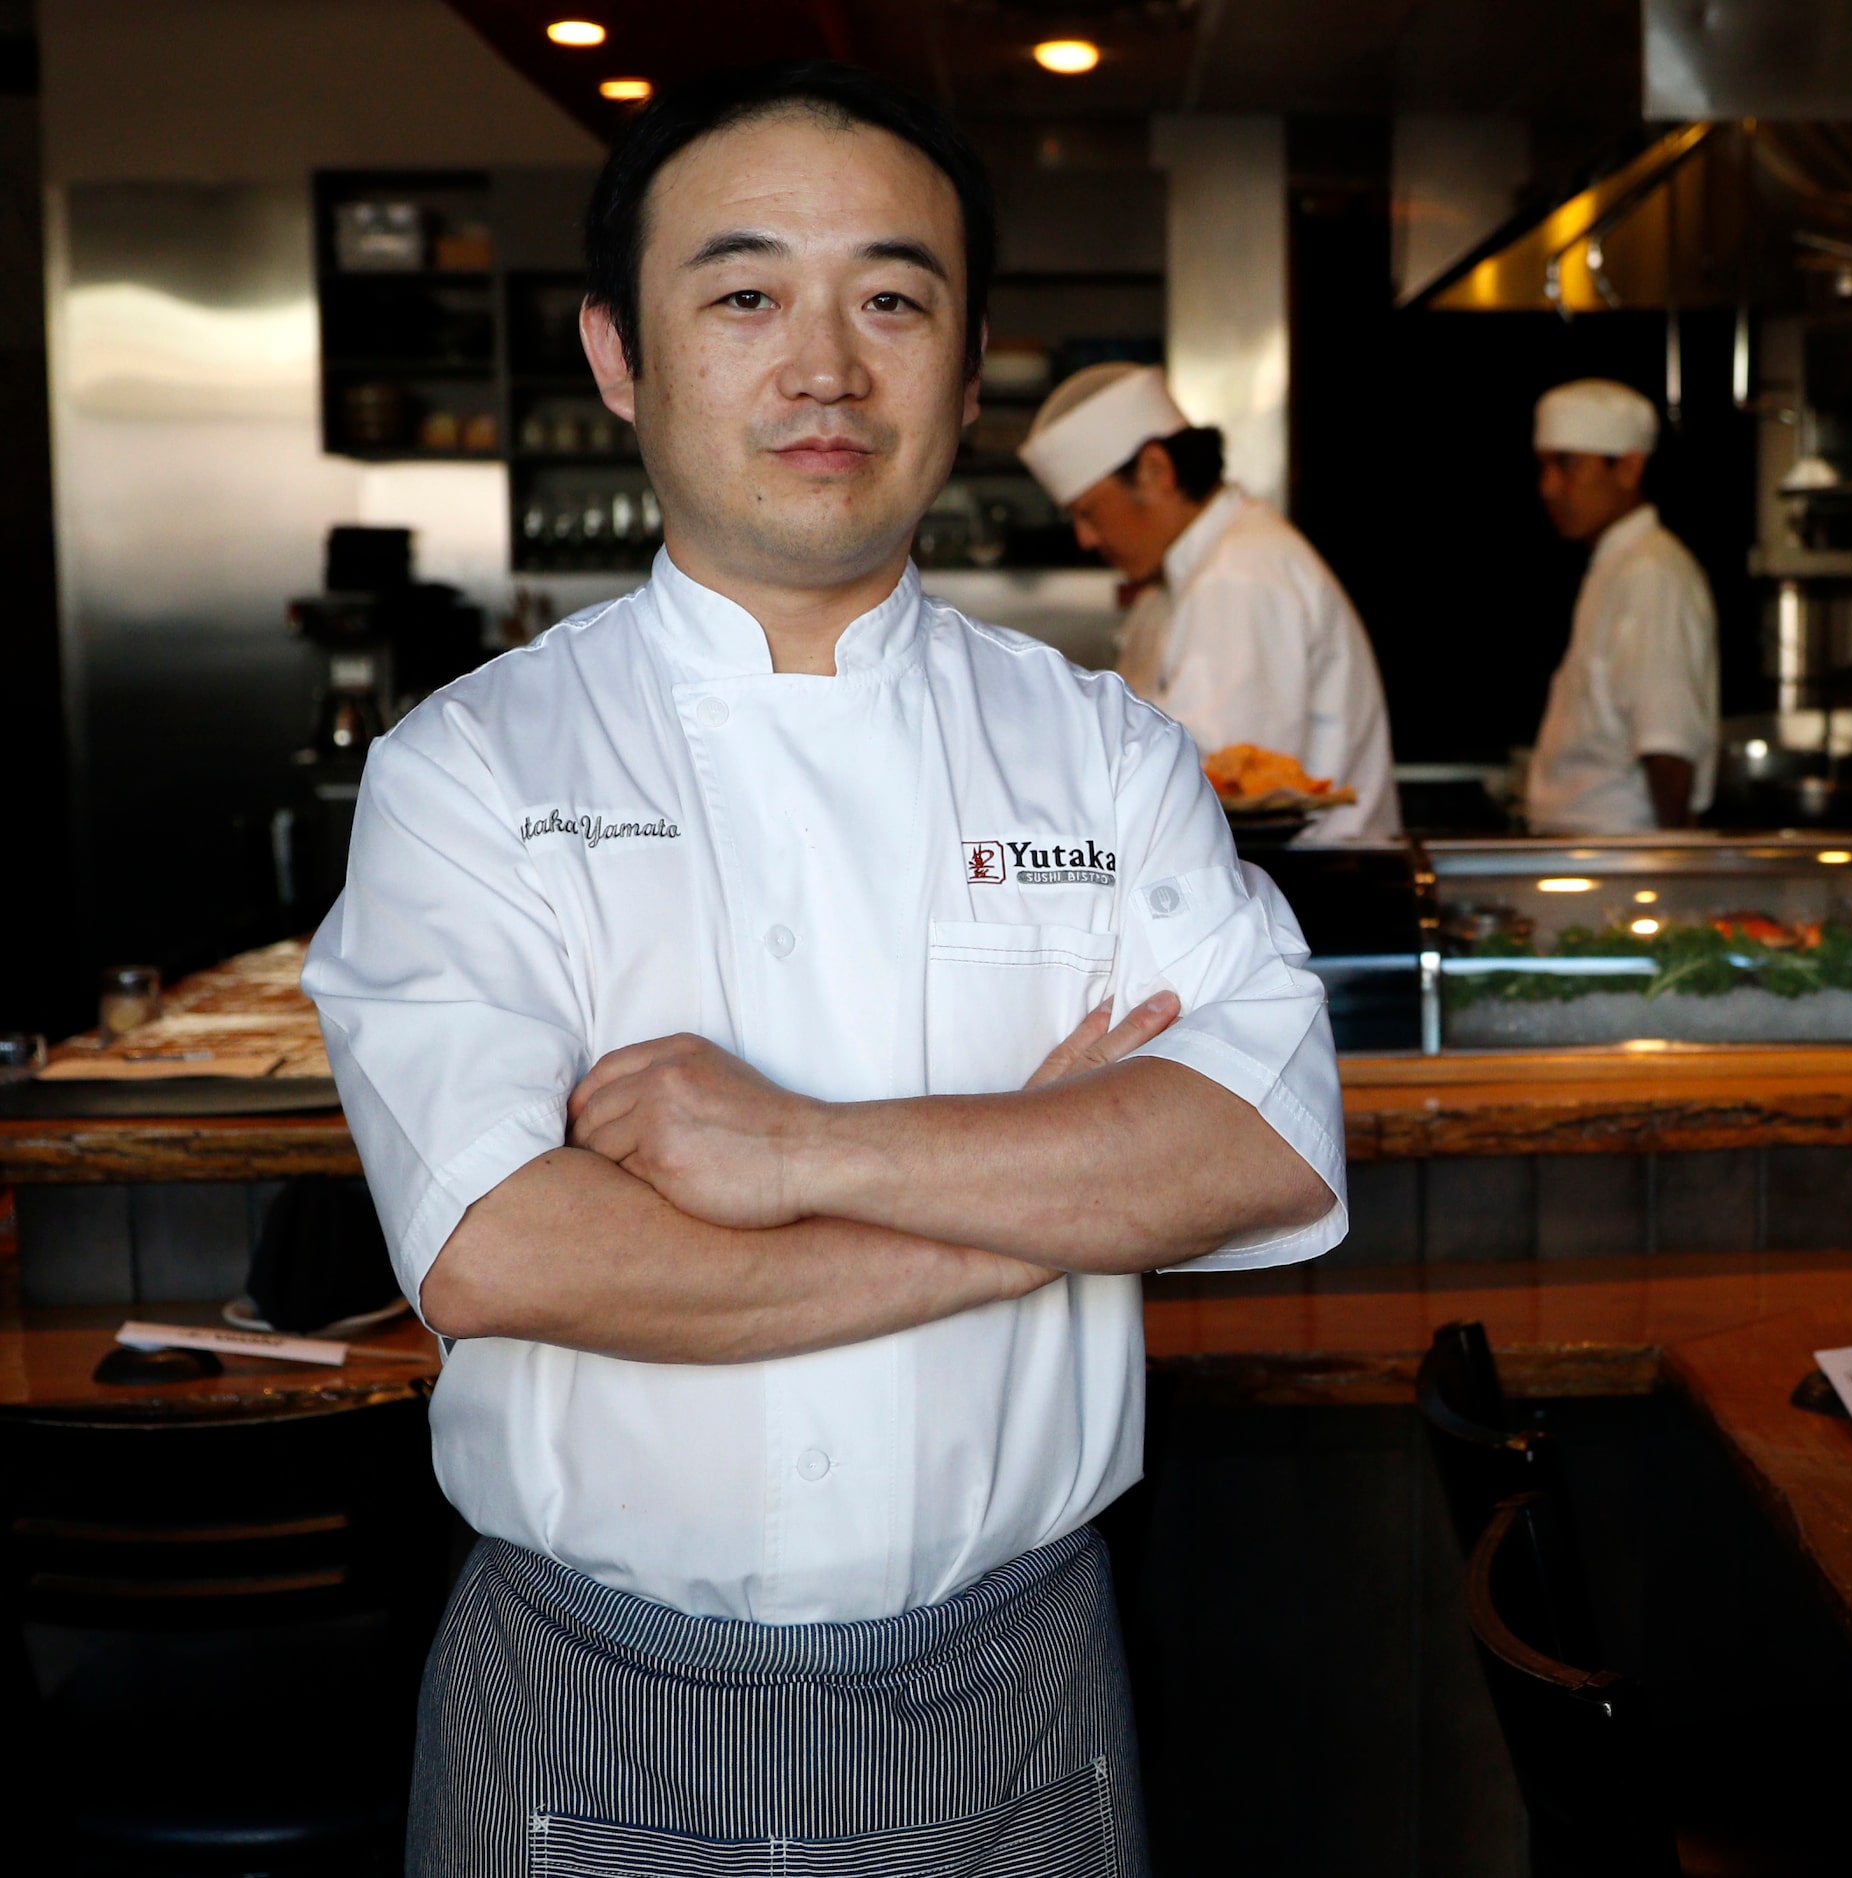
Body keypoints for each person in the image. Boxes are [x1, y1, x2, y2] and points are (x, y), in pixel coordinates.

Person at [300, 61, 1345, 1875]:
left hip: (1016, 1682)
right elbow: (501, 1245)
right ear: (621, 353)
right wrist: (1045, 1188)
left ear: (963, 356)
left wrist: (796, 1153)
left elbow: (1259, 1145)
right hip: (588, 1688)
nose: (823, 366)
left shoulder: (1102, 753)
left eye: (888, 296)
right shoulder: (470, 768)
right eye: (742, 293)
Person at [1021, 363, 1400, 839]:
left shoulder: (1240, 573)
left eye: (1089, 512)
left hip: (1315, 892)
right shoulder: (1177, 581)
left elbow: (1212, 779)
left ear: (1156, 470)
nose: (1085, 539)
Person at [1524, 377, 1720, 834]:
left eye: (1567, 465)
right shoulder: (1616, 564)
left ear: (1629, 468)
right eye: (1544, 466)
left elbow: (1666, 743)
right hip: (1590, 852)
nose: (1549, 487)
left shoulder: (1652, 572)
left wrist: (1676, 863)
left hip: (1625, 852)